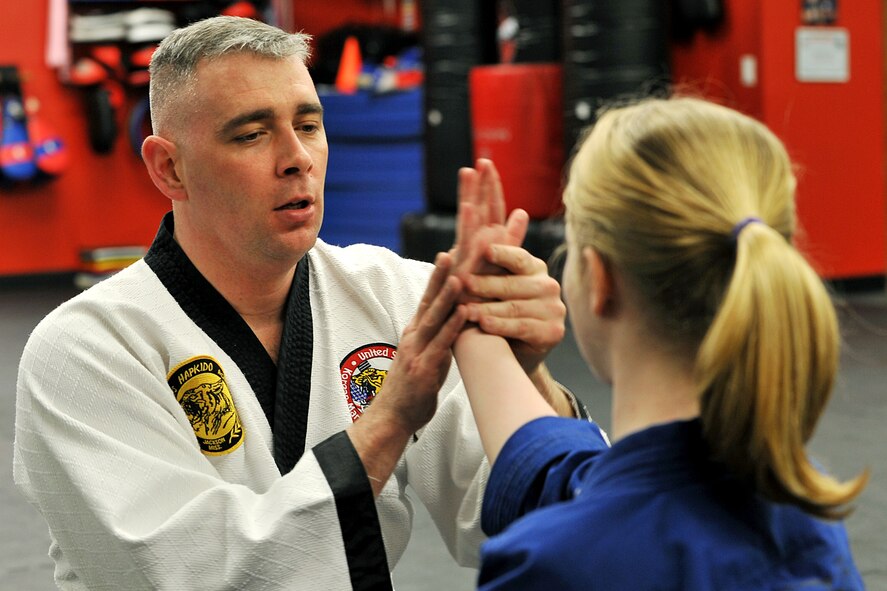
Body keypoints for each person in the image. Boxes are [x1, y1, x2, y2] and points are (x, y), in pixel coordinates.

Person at [12, 16, 580, 590]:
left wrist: (526, 376)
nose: (296, 158)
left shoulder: (396, 295)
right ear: (170, 168)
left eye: (308, 125)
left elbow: (527, 519)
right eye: (251, 134)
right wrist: (387, 423)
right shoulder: (85, 349)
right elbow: (181, 572)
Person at [444, 96, 869, 589]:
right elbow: (557, 468)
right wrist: (476, 328)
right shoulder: (801, 510)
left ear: (600, 280)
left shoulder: (551, 566)